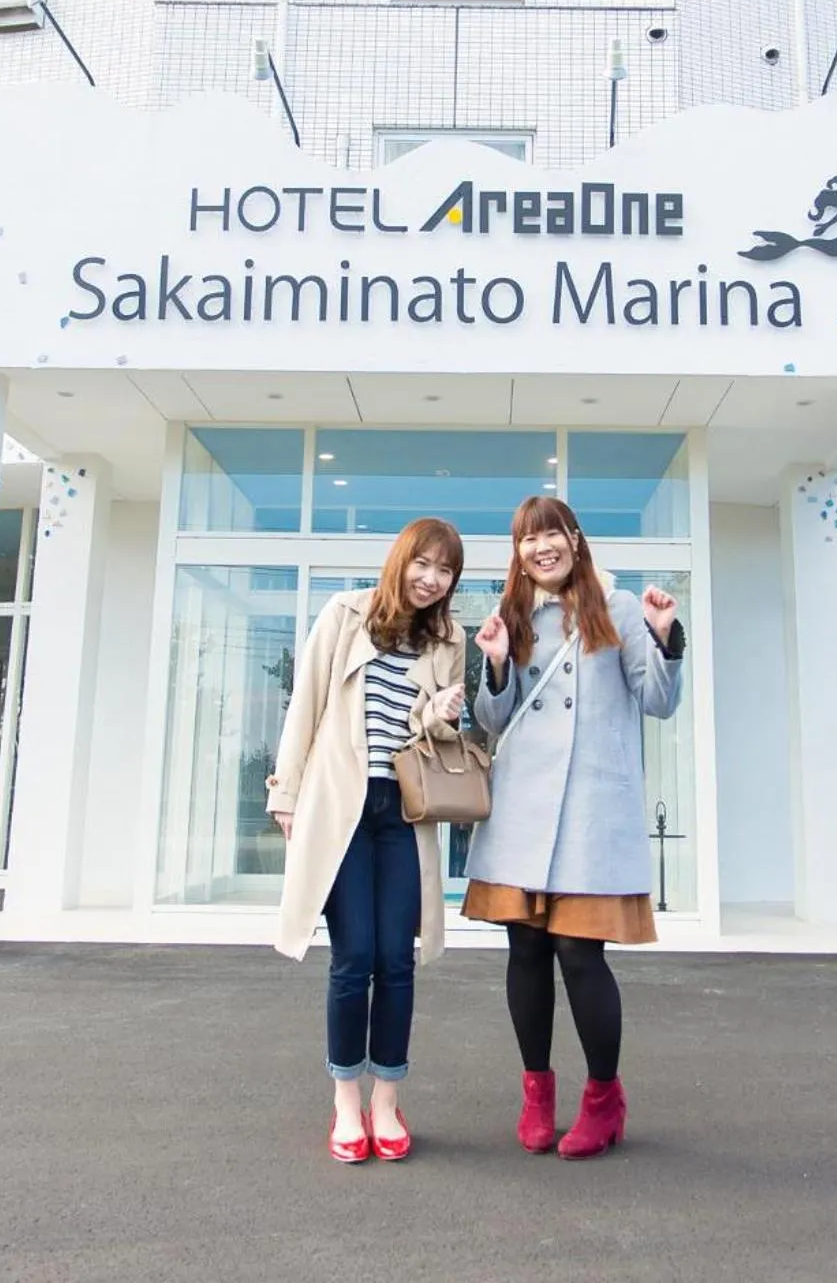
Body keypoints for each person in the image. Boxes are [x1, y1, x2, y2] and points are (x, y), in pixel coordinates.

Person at [465, 495, 685, 1159]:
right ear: (519, 552)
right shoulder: (512, 614)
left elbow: (658, 701)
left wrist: (666, 636)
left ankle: (603, 1100)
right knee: (526, 952)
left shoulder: (618, 607)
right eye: (528, 539)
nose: (541, 548)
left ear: (576, 539)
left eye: (552, 534)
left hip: (590, 810)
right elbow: (493, 721)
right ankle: (536, 1095)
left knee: (580, 954)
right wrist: (495, 664)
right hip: (523, 810)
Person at [266, 517, 468, 1164]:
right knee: (354, 959)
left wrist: (440, 714)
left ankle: (387, 1101)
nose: (432, 579)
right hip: (341, 809)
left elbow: (435, 737)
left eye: (445, 570)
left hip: (403, 811)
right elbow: (306, 704)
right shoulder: (345, 614)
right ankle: (346, 1101)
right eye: (424, 564)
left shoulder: (449, 639)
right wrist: (286, 793)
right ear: (401, 560)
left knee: (396, 960)